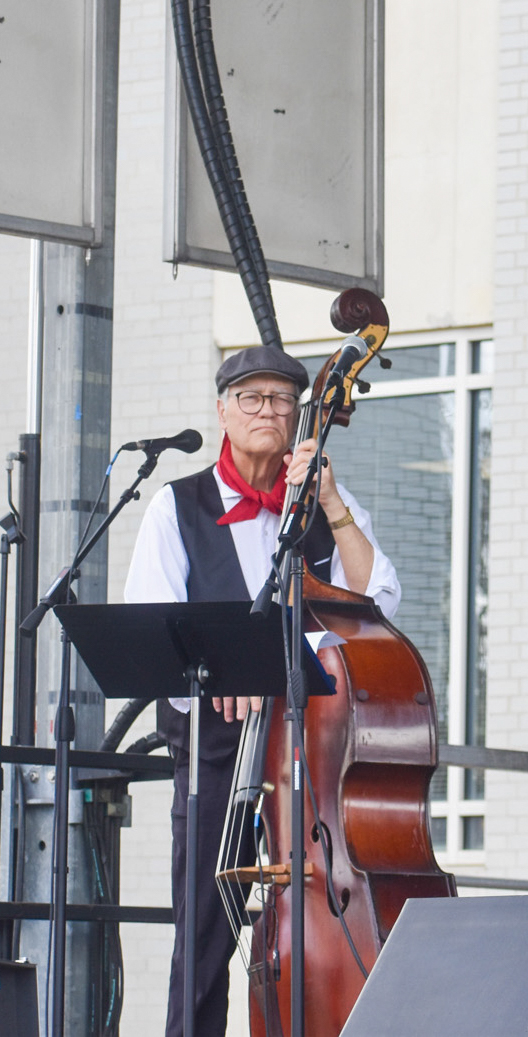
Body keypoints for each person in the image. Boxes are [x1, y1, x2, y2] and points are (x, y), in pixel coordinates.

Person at [125, 345, 401, 1037]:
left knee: (323, 923)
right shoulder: (176, 507)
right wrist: (226, 669)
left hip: (310, 749)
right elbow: (151, 624)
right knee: (203, 940)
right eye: (251, 398)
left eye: (282, 400)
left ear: (299, 416)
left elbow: (378, 600)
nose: (267, 411)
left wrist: (332, 502)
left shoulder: (320, 505)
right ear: (223, 410)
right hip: (217, 755)